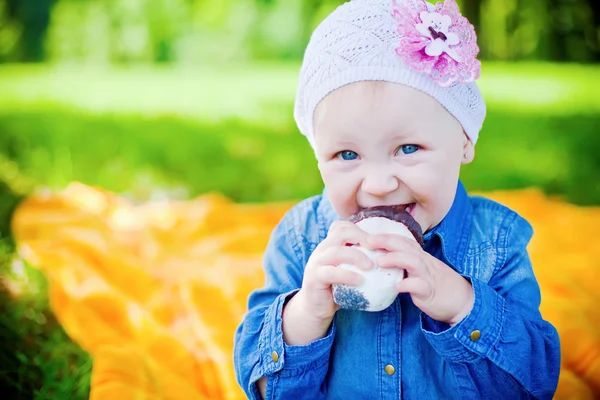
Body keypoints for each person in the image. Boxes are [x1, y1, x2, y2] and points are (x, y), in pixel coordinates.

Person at [233, 0, 561, 398]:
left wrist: (460, 303)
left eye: (408, 148)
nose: (379, 184)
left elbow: (536, 383)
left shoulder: (496, 241)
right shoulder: (301, 241)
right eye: (347, 155)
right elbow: (261, 386)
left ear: (463, 141)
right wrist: (306, 314)